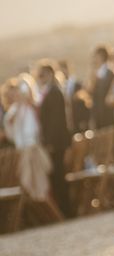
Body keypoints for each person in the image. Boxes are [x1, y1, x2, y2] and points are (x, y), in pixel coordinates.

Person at [2, 75, 52, 201]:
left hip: (33, 147)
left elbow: (36, 128)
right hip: (23, 149)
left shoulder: (31, 108)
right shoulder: (14, 110)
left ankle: (42, 201)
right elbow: (11, 131)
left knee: (38, 178)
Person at [36, 61, 72, 217]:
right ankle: (64, 209)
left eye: (42, 75)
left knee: (59, 176)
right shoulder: (48, 92)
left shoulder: (54, 92)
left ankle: (67, 209)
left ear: (50, 74)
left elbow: (56, 121)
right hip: (53, 142)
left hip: (56, 143)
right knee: (57, 176)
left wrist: (50, 142)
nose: (40, 78)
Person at [88, 45, 114, 129]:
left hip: (107, 112)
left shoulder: (110, 72)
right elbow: (90, 90)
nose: (94, 59)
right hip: (97, 112)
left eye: (95, 56)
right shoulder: (95, 72)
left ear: (101, 56)